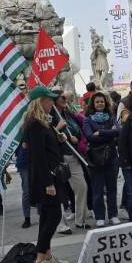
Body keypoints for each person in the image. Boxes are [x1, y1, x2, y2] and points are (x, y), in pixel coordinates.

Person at [23, 86, 70, 263]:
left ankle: (48, 256)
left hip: (51, 175)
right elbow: (38, 156)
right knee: (52, 218)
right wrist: (47, 183)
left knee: (49, 217)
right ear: (39, 101)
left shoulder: (43, 122)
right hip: (46, 178)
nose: (52, 103)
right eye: (49, 100)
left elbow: (47, 147)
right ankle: (40, 260)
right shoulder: (34, 124)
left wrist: (58, 138)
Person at [52, 90, 89, 230]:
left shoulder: (67, 113)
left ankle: (80, 219)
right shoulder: (50, 116)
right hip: (59, 157)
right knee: (60, 192)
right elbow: (47, 138)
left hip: (73, 155)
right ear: (55, 99)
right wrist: (57, 129)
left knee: (82, 186)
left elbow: (78, 129)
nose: (65, 98)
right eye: (62, 97)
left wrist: (76, 138)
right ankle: (61, 224)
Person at [83, 92, 120, 227]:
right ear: (93, 104)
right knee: (97, 190)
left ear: (106, 103)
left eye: (102, 102)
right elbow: (89, 137)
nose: (100, 104)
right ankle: (99, 216)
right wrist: (110, 134)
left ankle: (113, 215)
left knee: (112, 188)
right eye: (97, 102)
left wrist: (101, 133)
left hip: (111, 157)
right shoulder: (87, 119)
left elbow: (119, 131)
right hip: (95, 158)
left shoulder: (111, 117)